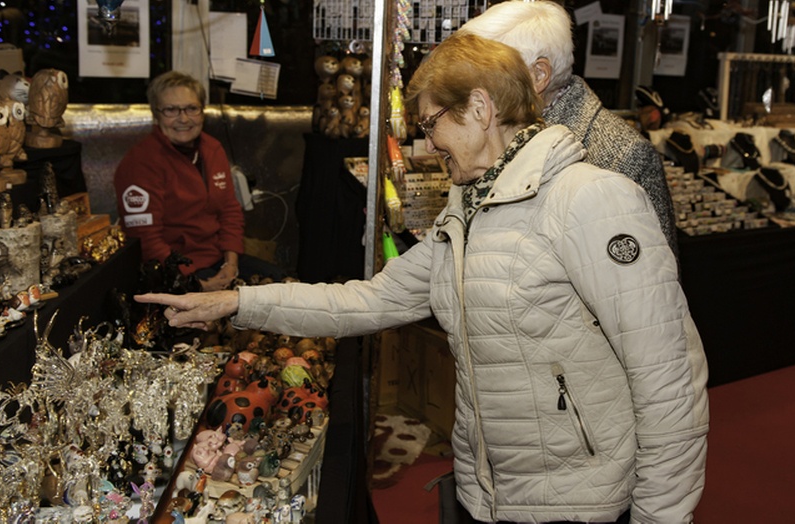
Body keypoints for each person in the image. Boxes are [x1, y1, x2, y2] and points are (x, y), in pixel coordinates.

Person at [136, 34, 708, 523]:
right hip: (489, 492)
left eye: (432, 124)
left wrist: (660, 514)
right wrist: (237, 303)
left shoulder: (591, 199)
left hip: (578, 500)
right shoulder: (467, 209)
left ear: (480, 108)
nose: (427, 143)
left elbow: (668, 378)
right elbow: (367, 300)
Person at [458, 0, 679, 260]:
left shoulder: (623, 155)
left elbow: (653, 282)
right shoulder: (497, 130)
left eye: (486, 74)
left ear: (539, 75)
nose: (474, 87)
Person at [114, 71, 285, 291]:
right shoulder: (139, 163)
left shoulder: (212, 149)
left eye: (191, 108)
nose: (183, 119)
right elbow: (147, 242)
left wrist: (230, 264)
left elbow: (229, 212)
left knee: (284, 286)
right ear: (156, 115)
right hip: (172, 272)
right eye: (171, 110)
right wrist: (198, 286)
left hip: (218, 261)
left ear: (202, 112)